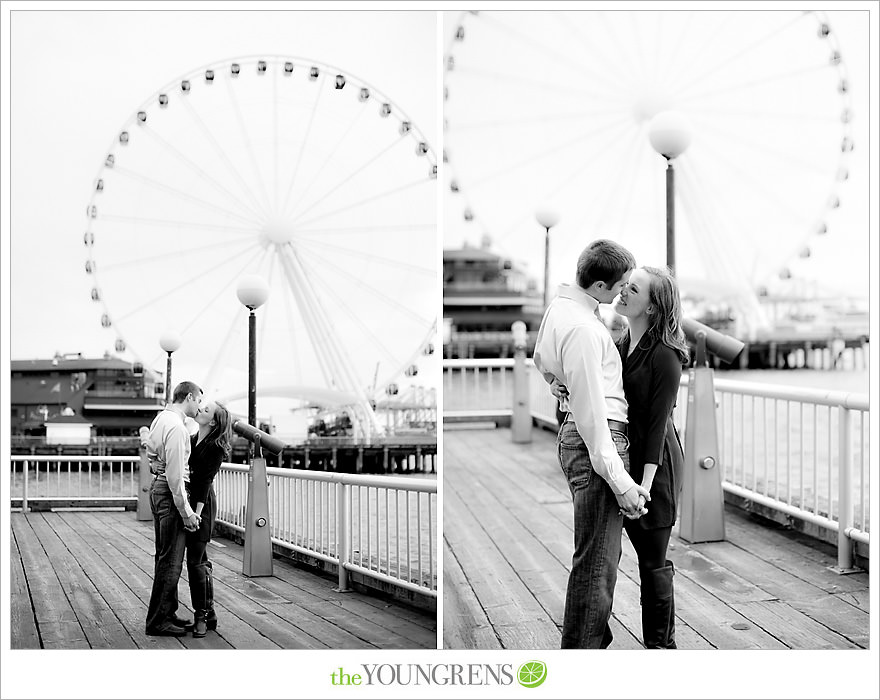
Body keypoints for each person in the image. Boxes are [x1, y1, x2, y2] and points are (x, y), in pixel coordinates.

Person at [553, 265, 687, 649]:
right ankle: (596, 638)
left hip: (654, 467)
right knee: (603, 556)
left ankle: (661, 647)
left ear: (654, 307)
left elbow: (659, 426)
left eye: (634, 289)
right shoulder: (621, 343)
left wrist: (641, 487)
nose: (623, 292)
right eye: (625, 285)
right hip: (624, 462)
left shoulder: (666, 357)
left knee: (653, 562)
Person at [533, 239, 650, 649]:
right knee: (597, 562)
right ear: (599, 285)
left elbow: (539, 360)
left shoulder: (560, 308)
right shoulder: (584, 330)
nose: (623, 294)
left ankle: (590, 642)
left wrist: (558, 385)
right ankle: (582, 651)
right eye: (620, 286)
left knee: (597, 556)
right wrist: (623, 484)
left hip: (576, 438)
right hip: (595, 444)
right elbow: (594, 421)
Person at [144, 381, 202, 636]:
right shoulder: (178, 428)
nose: (199, 406)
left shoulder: (160, 419)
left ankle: (167, 613)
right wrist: (187, 512)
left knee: (163, 556)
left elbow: (151, 454)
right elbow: (177, 477)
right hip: (169, 494)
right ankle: (158, 621)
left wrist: (156, 466)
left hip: (157, 490)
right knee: (171, 561)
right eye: (198, 400)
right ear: (189, 397)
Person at [184, 400, 232, 638]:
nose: (200, 409)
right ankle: (209, 612)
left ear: (212, 421)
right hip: (189, 502)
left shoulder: (215, 447)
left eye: (205, 410)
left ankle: (201, 615)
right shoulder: (191, 439)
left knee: (194, 561)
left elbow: (204, 481)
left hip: (202, 505)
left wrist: (197, 514)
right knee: (201, 560)